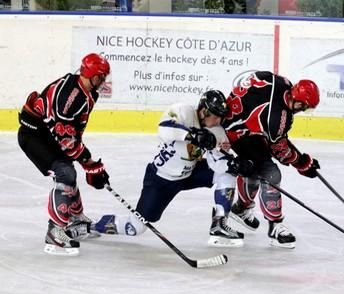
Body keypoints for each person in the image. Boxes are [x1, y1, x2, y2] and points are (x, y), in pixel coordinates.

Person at [93, 90, 252, 247]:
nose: (219, 121)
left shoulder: (216, 130)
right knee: (136, 227)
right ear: (204, 111)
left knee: (228, 172)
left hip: (191, 173)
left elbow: (216, 161)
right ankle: (92, 226)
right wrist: (192, 135)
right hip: (161, 179)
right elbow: (164, 128)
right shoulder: (183, 111)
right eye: (216, 116)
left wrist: (233, 164)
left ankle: (219, 224)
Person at [18, 53, 111, 256]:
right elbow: (66, 140)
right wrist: (88, 162)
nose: (103, 81)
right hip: (34, 135)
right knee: (65, 173)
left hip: (47, 132)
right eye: (101, 76)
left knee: (69, 168)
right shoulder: (71, 98)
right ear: (91, 75)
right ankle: (55, 232)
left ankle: (75, 220)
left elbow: (72, 134)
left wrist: (88, 160)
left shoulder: (88, 92)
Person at [222, 71, 320, 249]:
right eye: (304, 106)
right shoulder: (275, 117)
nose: (303, 110)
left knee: (253, 166)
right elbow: (279, 149)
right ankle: (275, 226)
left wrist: (301, 160)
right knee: (270, 172)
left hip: (238, 123)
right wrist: (303, 163)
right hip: (236, 132)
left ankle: (241, 208)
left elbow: (257, 77)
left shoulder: (283, 82)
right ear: (297, 100)